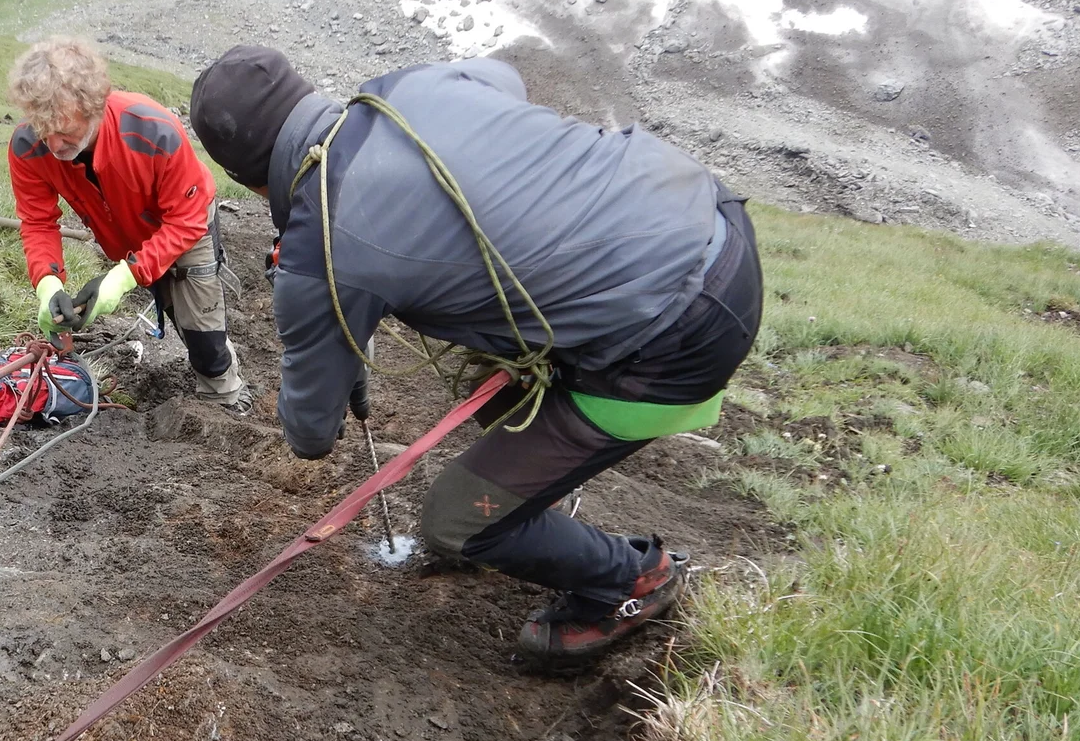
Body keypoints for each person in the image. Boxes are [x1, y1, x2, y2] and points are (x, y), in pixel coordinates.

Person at [188, 46, 763, 661]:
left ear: (245, 175)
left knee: (452, 523)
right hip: (703, 210)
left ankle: (631, 580)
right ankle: (538, 493)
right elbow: (503, 78)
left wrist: (333, 333)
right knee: (493, 379)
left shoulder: (317, 253)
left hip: (680, 331)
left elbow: (309, 433)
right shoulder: (408, 86)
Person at [5, 37, 248, 409]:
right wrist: (48, 282)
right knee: (175, 311)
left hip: (187, 221)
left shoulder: (153, 129)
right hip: (129, 236)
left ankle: (228, 396)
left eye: (66, 131)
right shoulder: (27, 146)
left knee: (202, 331)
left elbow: (185, 220)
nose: (53, 144)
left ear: (95, 107)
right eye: (43, 129)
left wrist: (123, 277)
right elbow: (38, 222)